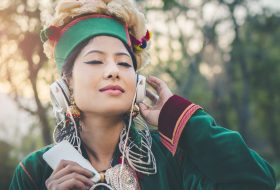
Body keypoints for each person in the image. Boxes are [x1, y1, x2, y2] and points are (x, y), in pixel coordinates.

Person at [10, 0, 276, 189]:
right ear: (65, 86)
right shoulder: (35, 172)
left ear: (137, 84)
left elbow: (258, 181)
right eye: (95, 61)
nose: (113, 71)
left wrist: (180, 118)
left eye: (124, 63)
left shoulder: (172, 158)